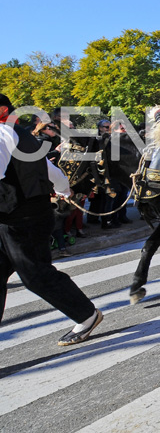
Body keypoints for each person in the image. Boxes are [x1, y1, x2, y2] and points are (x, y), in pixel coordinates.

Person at [0, 94, 103, 345]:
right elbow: (51, 171)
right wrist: (63, 190)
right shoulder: (21, 135)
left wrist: (62, 190)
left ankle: (87, 315)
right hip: (16, 216)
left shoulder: (3, 134)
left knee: (36, 275)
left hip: (22, 219)